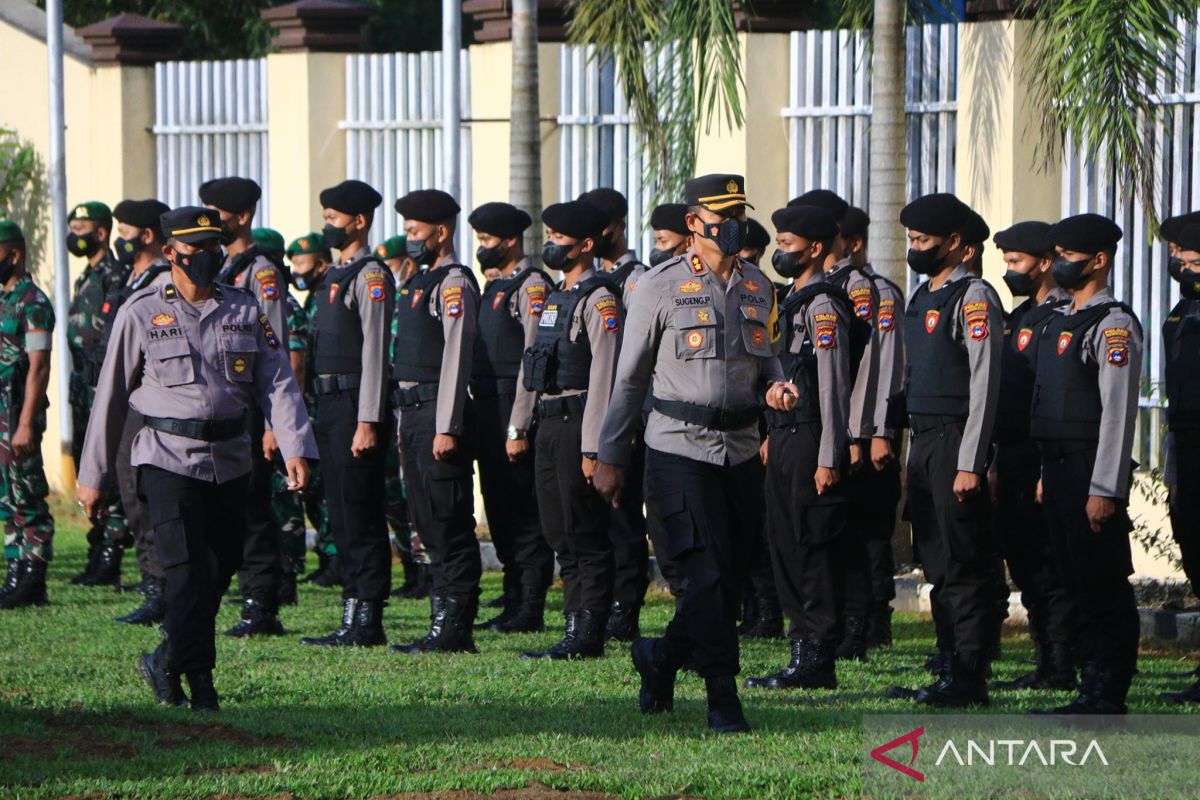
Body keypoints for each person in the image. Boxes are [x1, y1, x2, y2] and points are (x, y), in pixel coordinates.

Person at [77, 206, 316, 711]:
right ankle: (200, 680)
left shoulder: (244, 309)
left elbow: (277, 381)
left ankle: (166, 657)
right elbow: (110, 397)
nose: (207, 259)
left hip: (231, 459)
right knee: (184, 572)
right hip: (166, 458)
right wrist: (92, 476)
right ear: (170, 253)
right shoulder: (141, 311)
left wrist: (294, 445)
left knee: (218, 569)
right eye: (195, 251)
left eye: (214, 249)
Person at [596, 173, 783, 734]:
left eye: (740, 215)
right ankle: (723, 695)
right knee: (703, 576)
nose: (735, 225)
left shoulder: (759, 286)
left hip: (741, 452)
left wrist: (776, 385)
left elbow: (766, 357)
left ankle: (658, 658)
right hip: (679, 451)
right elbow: (628, 378)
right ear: (694, 224)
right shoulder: (658, 285)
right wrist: (611, 455)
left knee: (726, 578)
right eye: (723, 216)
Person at [889, 192, 1003, 708]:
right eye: (911, 240)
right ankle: (946, 662)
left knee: (964, 564)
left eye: (923, 241)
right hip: (925, 441)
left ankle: (969, 672)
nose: (915, 249)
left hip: (958, 440)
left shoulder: (972, 297)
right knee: (935, 561)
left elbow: (984, 384)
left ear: (956, 244)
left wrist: (971, 461)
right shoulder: (922, 296)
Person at [1028, 213, 1141, 716]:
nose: (1058, 265)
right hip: (1057, 469)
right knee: (1074, 580)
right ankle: (1087, 684)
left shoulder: (1112, 324)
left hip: (1089, 469)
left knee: (1102, 583)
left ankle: (1107, 689)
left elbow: (1117, 414)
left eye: (1068, 257)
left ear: (1098, 260)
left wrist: (1105, 487)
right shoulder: (1060, 319)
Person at [743, 204, 855, 691]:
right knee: (784, 542)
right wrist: (769, 433)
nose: (779, 253)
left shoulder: (824, 306)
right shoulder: (787, 302)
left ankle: (817, 656)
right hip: (784, 435)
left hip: (812, 436)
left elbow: (831, 386)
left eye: (787, 246)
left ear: (814, 249)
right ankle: (798, 649)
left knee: (812, 545)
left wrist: (831, 454)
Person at [519, 200, 620, 659]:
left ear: (585, 245)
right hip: (549, 421)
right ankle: (573, 626)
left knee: (584, 532)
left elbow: (605, 374)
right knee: (558, 529)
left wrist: (593, 445)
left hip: (580, 419)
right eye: (550, 236)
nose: (551, 245)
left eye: (560, 239)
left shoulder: (599, 298)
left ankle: (588, 633)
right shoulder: (559, 295)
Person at [299, 180, 395, 648]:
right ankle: (351, 615)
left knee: (361, 514)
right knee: (340, 513)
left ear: (358, 221)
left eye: (334, 218)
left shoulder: (370, 275)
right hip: (330, 407)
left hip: (357, 406)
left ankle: (368, 618)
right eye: (325, 217)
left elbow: (376, 352)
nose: (327, 226)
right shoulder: (333, 276)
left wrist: (368, 420)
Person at [389, 189, 482, 655]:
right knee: (425, 519)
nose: (408, 239)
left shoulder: (453, 283)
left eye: (414, 231)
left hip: (435, 414)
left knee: (448, 519)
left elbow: (456, 356)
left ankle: (456, 627)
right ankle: (440, 622)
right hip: (412, 413)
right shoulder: (418, 280)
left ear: (440, 232)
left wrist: (447, 425)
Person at [199, 177, 292, 638]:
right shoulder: (222, 265)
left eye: (215, 212)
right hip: (225, 404)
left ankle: (262, 607)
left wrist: (275, 421)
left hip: (255, 407)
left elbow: (275, 350)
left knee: (255, 507)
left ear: (241, 217)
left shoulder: (261, 272)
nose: (207, 220)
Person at [988, 221, 1077, 691]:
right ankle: (1045, 659)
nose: (1009, 271)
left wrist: (1045, 468)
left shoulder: (1062, 316)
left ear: (1044, 263)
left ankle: (1060, 663)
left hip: (1044, 456)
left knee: (1049, 565)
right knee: (1024, 562)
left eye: (1016, 262)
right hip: (1014, 455)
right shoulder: (1020, 317)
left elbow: (1053, 397)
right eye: (1006, 263)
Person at [467, 201, 555, 632]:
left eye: (486, 241)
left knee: (522, 509)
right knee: (499, 506)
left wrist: (518, 424)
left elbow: (532, 358)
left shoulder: (531, 285)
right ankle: (513, 594)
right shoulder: (495, 286)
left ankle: (531, 604)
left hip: (512, 405)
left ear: (510, 240)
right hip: (486, 403)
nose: (482, 248)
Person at [578, 187, 649, 640]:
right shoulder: (591, 280)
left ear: (616, 228)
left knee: (624, 518)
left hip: (626, 415)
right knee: (597, 519)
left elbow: (638, 355)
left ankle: (627, 609)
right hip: (591, 409)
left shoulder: (636, 279)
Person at [106, 199, 174, 625]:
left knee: (148, 496)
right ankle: (152, 582)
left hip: (152, 399)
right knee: (130, 492)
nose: (119, 238)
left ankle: (162, 588)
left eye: (125, 230)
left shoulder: (163, 280)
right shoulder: (127, 276)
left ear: (147, 235)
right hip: (126, 398)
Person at [841, 206, 904, 648]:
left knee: (872, 531)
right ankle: (852, 617)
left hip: (869, 431)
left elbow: (886, 367)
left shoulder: (878, 293)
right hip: (840, 431)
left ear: (854, 242)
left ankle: (876, 619)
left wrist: (879, 431)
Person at [65, 201, 130, 588]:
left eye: (82, 227)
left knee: (110, 469)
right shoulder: (84, 277)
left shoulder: (114, 276)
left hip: (101, 381)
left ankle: (111, 553)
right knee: (86, 464)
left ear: (101, 232)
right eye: (73, 227)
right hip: (80, 383)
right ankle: (96, 548)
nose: (76, 234)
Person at [0, 221, 55, 610]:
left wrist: (24, 424)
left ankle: (33, 579)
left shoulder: (33, 301)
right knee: (7, 497)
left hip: (18, 414)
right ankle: (15, 571)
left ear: (13, 254)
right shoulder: (3, 299)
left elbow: (38, 367)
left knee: (28, 496)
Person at [373, 234, 428, 599]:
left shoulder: (420, 297)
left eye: (392, 264)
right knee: (395, 497)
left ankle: (426, 572)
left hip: (415, 407)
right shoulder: (397, 302)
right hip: (392, 410)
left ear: (407, 263)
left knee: (416, 495)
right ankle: (410, 569)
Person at [1160, 219, 1200, 704]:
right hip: (1187, 446)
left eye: (1192, 262)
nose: (1183, 270)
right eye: (1181, 263)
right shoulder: (1179, 314)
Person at [286, 233, 337, 587]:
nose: (295, 271)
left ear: (320, 263)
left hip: (322, 405)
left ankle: (334, 559)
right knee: (314, 490)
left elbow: (300, 361)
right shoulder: (312, 300)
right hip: (316, 404)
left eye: (301, 264)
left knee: (325, 487)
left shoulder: (329, 296)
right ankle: (326, 557)